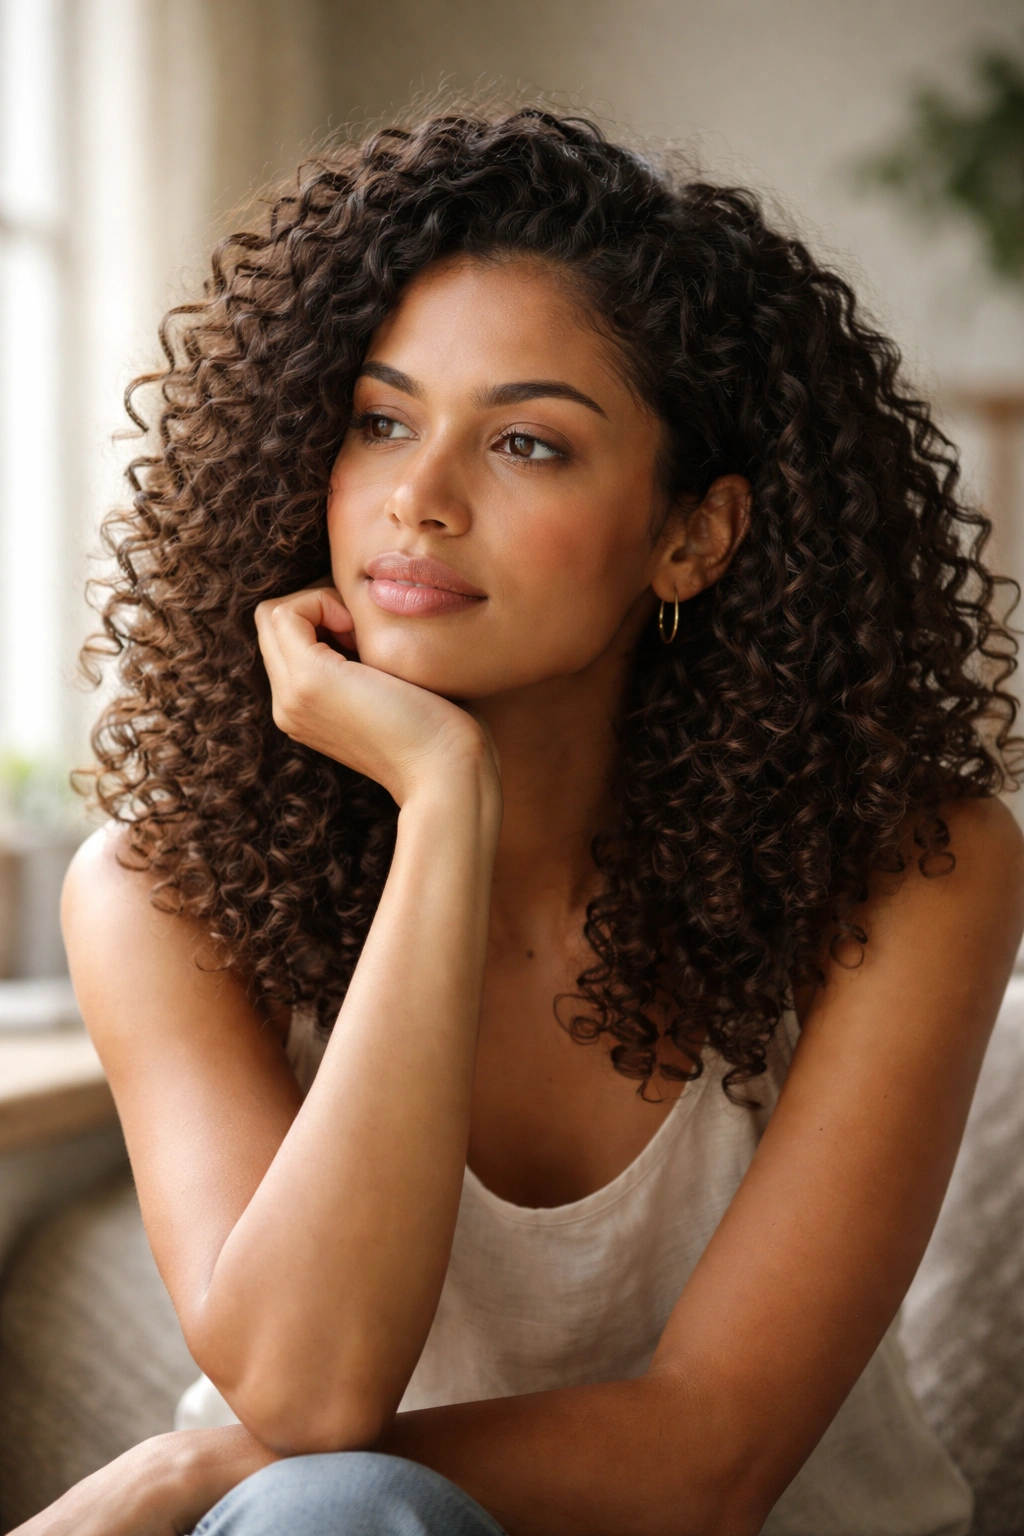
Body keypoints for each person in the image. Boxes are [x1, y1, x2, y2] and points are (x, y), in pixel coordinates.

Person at [22, 106, 1024, 1536]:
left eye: (528, 444)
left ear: (693, 536)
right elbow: (310, 1397)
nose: (418, 501)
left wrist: (193, 1470)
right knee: (335, 1507)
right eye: (381, 422)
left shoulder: (914, 870)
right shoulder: (160, 890)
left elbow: (710, 1460)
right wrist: (444, 803)